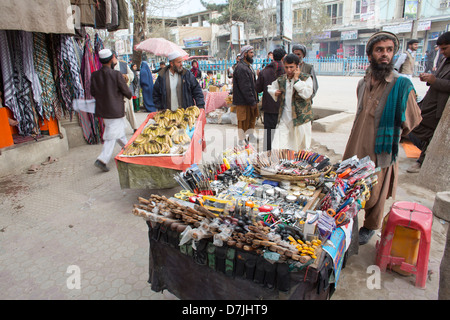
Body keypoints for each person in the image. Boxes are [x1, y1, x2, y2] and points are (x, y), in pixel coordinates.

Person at [342, 31, 422, 245]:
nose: (385, 54)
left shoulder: (401, 85)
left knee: (377, 189)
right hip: (357, 143)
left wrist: (391, 134)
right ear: (370, 55)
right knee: (351, 184)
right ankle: (348, 221)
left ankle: (370, 226)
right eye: (379, 50)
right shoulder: (362, 82)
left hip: (381, 147)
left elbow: (412, 120)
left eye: (389, 50)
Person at [407, 32, 450, 173]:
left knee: (429, 130)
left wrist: (434, 80)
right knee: (413, 123)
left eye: (445, 48)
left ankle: (422, 159)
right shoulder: (444, 60)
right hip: (430, 101)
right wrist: (428, 78)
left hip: (440, 106)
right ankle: (425, 155)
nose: (442, 52)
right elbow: (436, 78)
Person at [90, 48, 132, 172]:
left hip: (103, 110)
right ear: (112, 58)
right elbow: (126, 92)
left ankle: (130, 150)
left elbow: (93, 92)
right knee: (111, 135)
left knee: (117, 132)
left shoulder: (95, 75)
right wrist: (127, 93)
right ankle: (102, 159)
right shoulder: (116, 74)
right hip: (115, 110)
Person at [267, 53, 314, 151]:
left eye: (291, 67)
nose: (289, 70)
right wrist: (274, 92)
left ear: (298, 66)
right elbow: (271, 87)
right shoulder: (282, 79)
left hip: (300, 119)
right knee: (278, 147)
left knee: (299, 148)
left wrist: (297, 80)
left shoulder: (306, 78)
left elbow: (307, 94)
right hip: (284, 118)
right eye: (286, 67)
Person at [255, 47, 286, 151]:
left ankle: (267, 155)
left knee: (269, 134)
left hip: (269, 107)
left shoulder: (265, 71)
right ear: (283, 57)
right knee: (283, 134)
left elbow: (257, 89)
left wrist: (258, 76)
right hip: (284, 107)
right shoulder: (287, 71)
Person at [232, 45, 259, 145]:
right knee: (243, 120)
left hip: (250, 99)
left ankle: (250, 136)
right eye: (251, 52)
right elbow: (245, 87)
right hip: (243, 100)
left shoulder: (247, 66)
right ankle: (241, 140)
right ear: (245, 54)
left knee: (251, 118)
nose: (253, 55)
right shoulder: (241, 68)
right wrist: (252, 100)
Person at [114, 53, 138, 132]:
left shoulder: (123, 64)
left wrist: (126, 77)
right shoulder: (109, 67)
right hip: (115, 93)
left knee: (129, 110)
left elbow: (131, 75)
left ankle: (135, 127)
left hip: (125, 91)